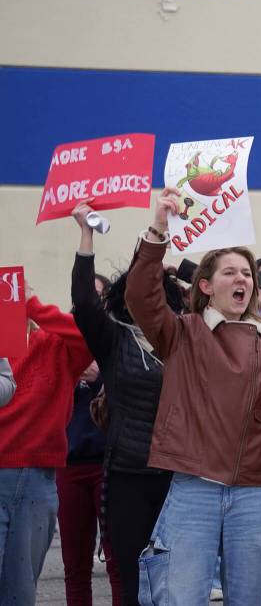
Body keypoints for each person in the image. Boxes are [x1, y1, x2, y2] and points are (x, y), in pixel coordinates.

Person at [126, 187, 261, 605]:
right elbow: (140, 297)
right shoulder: (183, 331)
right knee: (181, 598)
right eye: (230, 272)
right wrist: (157, 229)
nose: (242, 279)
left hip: (253, 493)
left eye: (247, 272)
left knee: (254, 599)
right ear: (205, 285)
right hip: (193, 489)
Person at [69, 201, 185, 606]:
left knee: (182, 581)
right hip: (129, 475)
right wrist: (86, 234)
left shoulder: (185, 340)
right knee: (135, 581)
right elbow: (84, 303)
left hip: (183, 476)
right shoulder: (114, 340)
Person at [0, 287, 94, 604]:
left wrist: (32, 304)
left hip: (36, 477)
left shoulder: (53, 345)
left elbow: (87, 339)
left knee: (20, 588)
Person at [57, 360, 122, 606]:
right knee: (74, 567)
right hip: (68, 461)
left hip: (110, 461)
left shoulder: (114, 330)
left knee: (118, 564)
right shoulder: (59, 335)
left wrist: (100, 380)